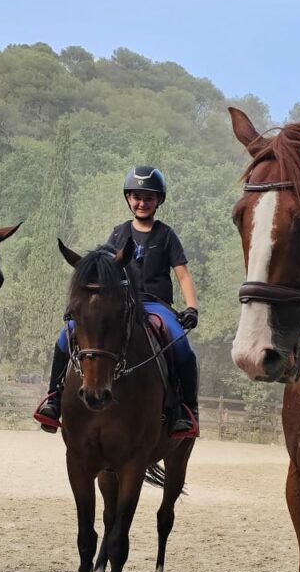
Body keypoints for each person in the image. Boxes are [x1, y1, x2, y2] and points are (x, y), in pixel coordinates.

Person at [34, 165, 201, 436]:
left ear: (159, 200)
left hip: (156, 305)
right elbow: (101, 270)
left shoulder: (167, 235)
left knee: (181, 344)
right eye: (136, 196)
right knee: (65, 337)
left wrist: (191, 307)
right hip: (119, 303)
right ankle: (53, 399)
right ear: (128, 199)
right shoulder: (118, 233)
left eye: (149, 197)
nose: (142, 202)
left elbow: (182, 275)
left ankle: (187, 410)